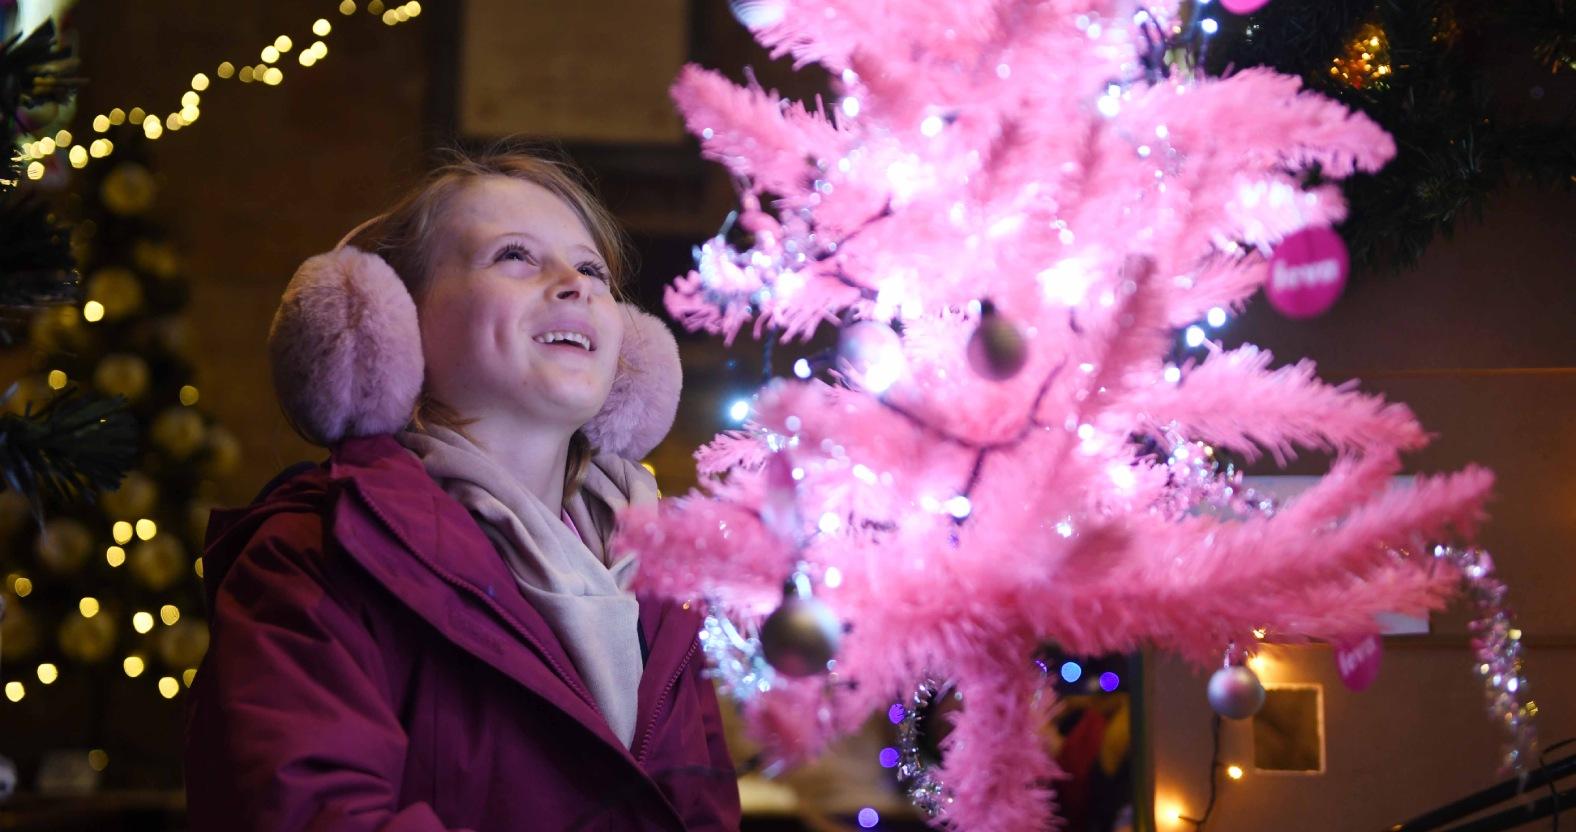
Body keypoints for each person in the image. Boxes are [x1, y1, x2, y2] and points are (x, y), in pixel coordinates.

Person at [183, 145, 740, 831]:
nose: (575, 283)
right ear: (390, 327)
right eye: (515, 256)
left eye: (592, 267)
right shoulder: (313, 554)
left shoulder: (665, 585)